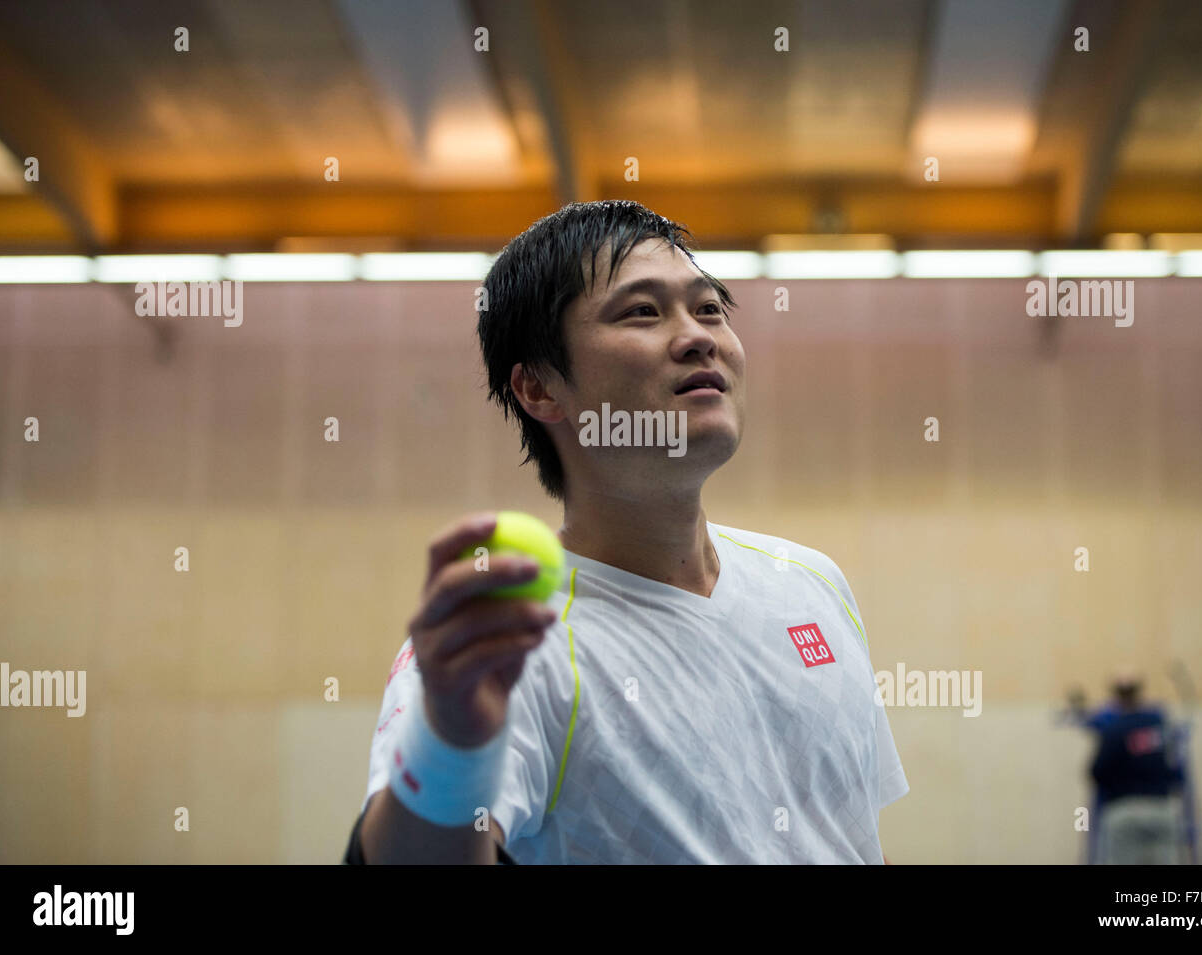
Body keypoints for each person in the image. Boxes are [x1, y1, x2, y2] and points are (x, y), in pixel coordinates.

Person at [344, 199, 908, 864]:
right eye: (642, 310)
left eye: (710, 308)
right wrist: (452, 743)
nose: (700, 336)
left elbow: (853, 842)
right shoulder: (512, 639)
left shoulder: (812, 582)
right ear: (539, 388)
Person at [1085, 674, 1185, 864]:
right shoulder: (1159, 726)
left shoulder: (1114, 729)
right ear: (1139, 694)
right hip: (1160, 808)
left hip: (1124, 809)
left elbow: (1097, 771)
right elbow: (1177, 770)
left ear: (1116, 697)